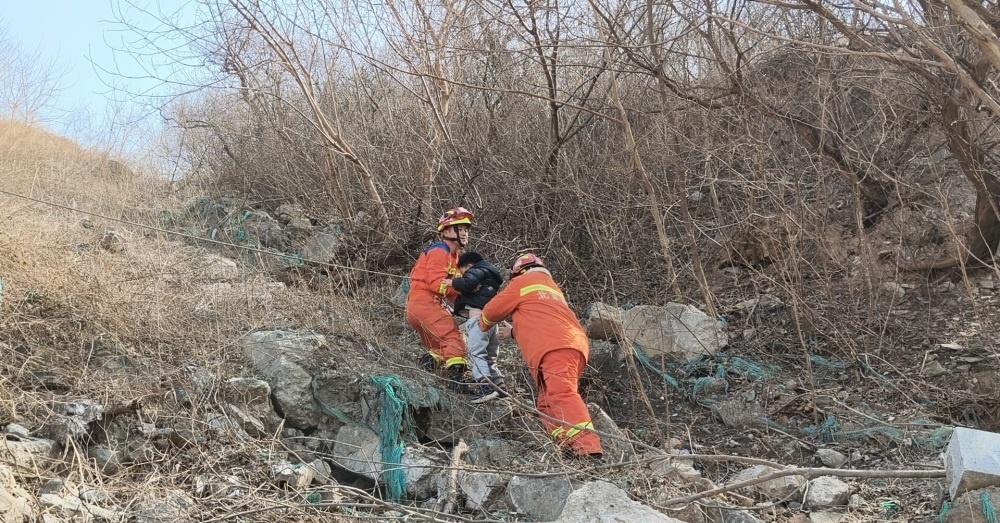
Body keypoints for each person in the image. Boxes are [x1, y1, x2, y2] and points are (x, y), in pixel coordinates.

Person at [479, 253, 603, 458]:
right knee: (546, 403)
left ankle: (588, 448)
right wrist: (513, 332)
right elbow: (542, 321)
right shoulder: (551, 288)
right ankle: (566, 447)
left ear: (519, 272)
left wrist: (481, 322)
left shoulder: (523, 281)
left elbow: (492, 311)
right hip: (570, 344)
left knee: (562, 394)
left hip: (556, 347)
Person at [406, 207, 473, 388]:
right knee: (454, 338)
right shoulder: (439, 251)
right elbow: (438, 283)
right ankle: (456, 383)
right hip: (426, 303)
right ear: (447, 231)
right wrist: (462, 286)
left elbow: (451, 290)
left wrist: (468, 300)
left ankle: (422, 373)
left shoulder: (454, 257)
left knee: (438, 347)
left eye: (466, 229)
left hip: (421, 306)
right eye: (460, 228)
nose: (465, 233)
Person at [451, 251, 507, 403]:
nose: (462, 275)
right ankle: (500, 387)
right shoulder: (490, 281)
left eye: (462, 272)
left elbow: (467, 283)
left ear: (469, 266)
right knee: (490, 357)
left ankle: (485, 387)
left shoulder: (476, 273)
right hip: (491, 323)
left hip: (478, 322)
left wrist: (451, 282)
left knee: (476, 354)